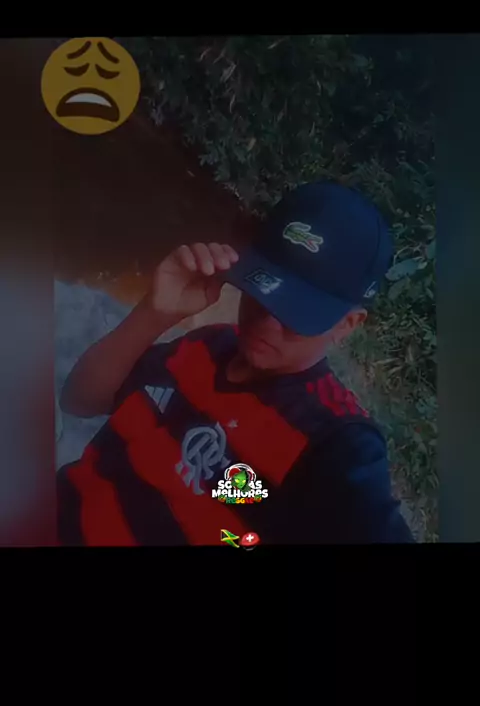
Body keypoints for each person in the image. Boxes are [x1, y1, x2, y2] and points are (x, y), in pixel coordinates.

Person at [57, 181, 414, 545]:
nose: (267, 321)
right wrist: (154, 314)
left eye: (295, 312)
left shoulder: (335, 441)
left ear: (347, 324)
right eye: (264, 292)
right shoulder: (208, 344)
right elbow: (78, 400)